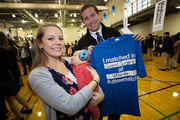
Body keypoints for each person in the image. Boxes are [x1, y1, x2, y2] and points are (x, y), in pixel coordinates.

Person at [77, 3, 142, 120]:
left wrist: (134, 41)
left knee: (115, 116)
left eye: (92, 15)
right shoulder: (81, 43)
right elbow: (77, 65)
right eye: (86, 18)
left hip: (116, 86)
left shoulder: (114, 33)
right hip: (95, 91)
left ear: (98, 15)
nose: (91, 20)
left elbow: (126, 54)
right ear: (83, 22)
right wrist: (85, 55)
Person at [28, 23, 104, 120]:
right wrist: (96, 80)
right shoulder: (37, 75)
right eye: (51, 38)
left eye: (60, 38)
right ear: (40, 43)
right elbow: (70, 106)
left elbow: (91, 77)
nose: (58, 42)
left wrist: (101, 96)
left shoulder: (70, 61)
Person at [0, 32, 32, 120]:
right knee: (16, 95)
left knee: (10, 100)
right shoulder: (11, 50)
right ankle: (28, 108)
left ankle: (18, 116)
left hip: (5, 79)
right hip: (15, 77)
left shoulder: (1, 51)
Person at [71, 49, 101, 120]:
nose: (72, 57)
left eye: (74, 55)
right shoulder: (83, 66)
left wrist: (85, 98)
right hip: (90, 96)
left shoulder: (81, 68)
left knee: (97, 113)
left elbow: (81, 84)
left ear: (82, 58)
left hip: (90, 98)